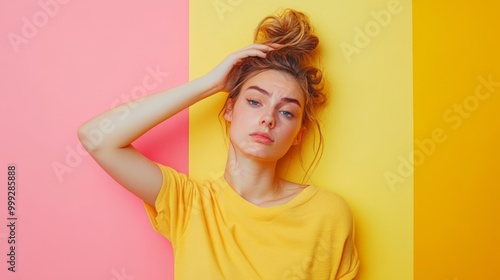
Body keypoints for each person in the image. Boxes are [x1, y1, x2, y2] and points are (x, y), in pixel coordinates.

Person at [78, 8, 359, 280]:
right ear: (228, 110)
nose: (268, 119)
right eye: (254, 101)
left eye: (287, 112)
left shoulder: (328, 214)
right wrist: (210, 84)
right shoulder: (189, 205)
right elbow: (97, 138)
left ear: (299, 134)